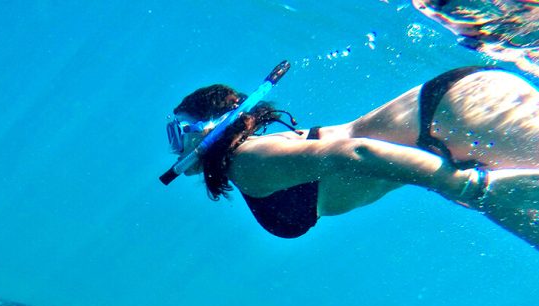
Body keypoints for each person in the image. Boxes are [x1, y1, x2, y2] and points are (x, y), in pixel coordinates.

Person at [166, 65, 539, 248]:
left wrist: (463, 185)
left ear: (206, 128)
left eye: (177, 132)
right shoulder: (255, 155)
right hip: (449, 120)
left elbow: (355, 152)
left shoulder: (249, 160)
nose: (174, 148)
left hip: (449, 119)